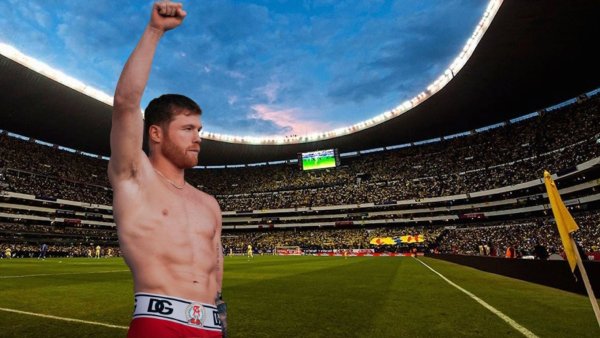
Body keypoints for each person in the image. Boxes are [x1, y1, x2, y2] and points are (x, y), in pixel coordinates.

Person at [108, 2, 225, 337]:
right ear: (155, 133)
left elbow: (215, 274)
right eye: (187, 129)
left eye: (199, 130)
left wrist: (223, 323)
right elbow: (126, 104)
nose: (198, 138)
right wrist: (155, 31)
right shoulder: (135, 179)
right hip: (159, 324)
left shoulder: (209, 204)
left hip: (211, 327)